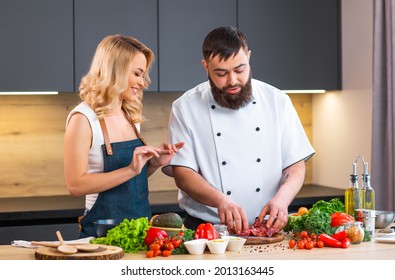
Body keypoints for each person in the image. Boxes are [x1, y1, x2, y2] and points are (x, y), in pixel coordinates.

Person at [162, 26, 314, 235]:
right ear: (205, 67)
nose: (232, 81)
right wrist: (221, 201)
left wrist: (282, 200)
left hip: (267, 228)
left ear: (249, 57)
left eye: (240, 69)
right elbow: (183, 173)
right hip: (207, 231)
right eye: (221, 73)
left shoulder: (277, 100)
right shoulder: (185, 107)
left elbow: (295, 165)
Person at [64, 34, 184, 238]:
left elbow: (127, 184)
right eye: (137, 74)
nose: (144, 82)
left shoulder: (130, 114)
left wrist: (153, 164)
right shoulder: (83, 119)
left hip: (139, 230)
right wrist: (130, 170)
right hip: (101, 235)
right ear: (116, 71)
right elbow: (75, 185)